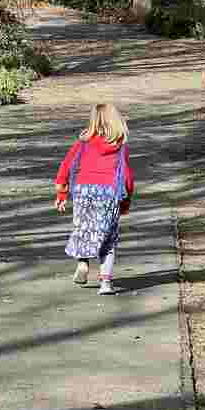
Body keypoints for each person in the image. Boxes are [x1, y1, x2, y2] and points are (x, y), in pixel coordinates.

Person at [54, 103, 134, 295]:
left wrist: (62, 194)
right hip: (108, 192)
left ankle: (82, 263)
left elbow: (66, 165)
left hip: (83, 190)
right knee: (108, 237)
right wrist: (125, 202)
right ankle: (105, 283)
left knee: (84, 229)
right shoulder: (120, 145)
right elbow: (127, 177)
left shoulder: (83, 141)